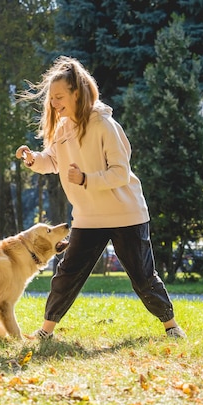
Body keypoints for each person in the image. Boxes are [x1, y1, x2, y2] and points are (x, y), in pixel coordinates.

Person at [15, 56, 186, 340]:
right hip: (88, 217)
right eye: (51, 98)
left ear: (77, 93)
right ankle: (46, 331)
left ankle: (171, 326)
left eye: (59, 97)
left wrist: (86, 180)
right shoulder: (62, 128)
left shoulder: (105, 126)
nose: (54, 103)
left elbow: (120, 173)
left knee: (143, 277)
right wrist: (33, 160)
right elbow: (53, 162)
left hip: (125, 214)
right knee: (67, 273)